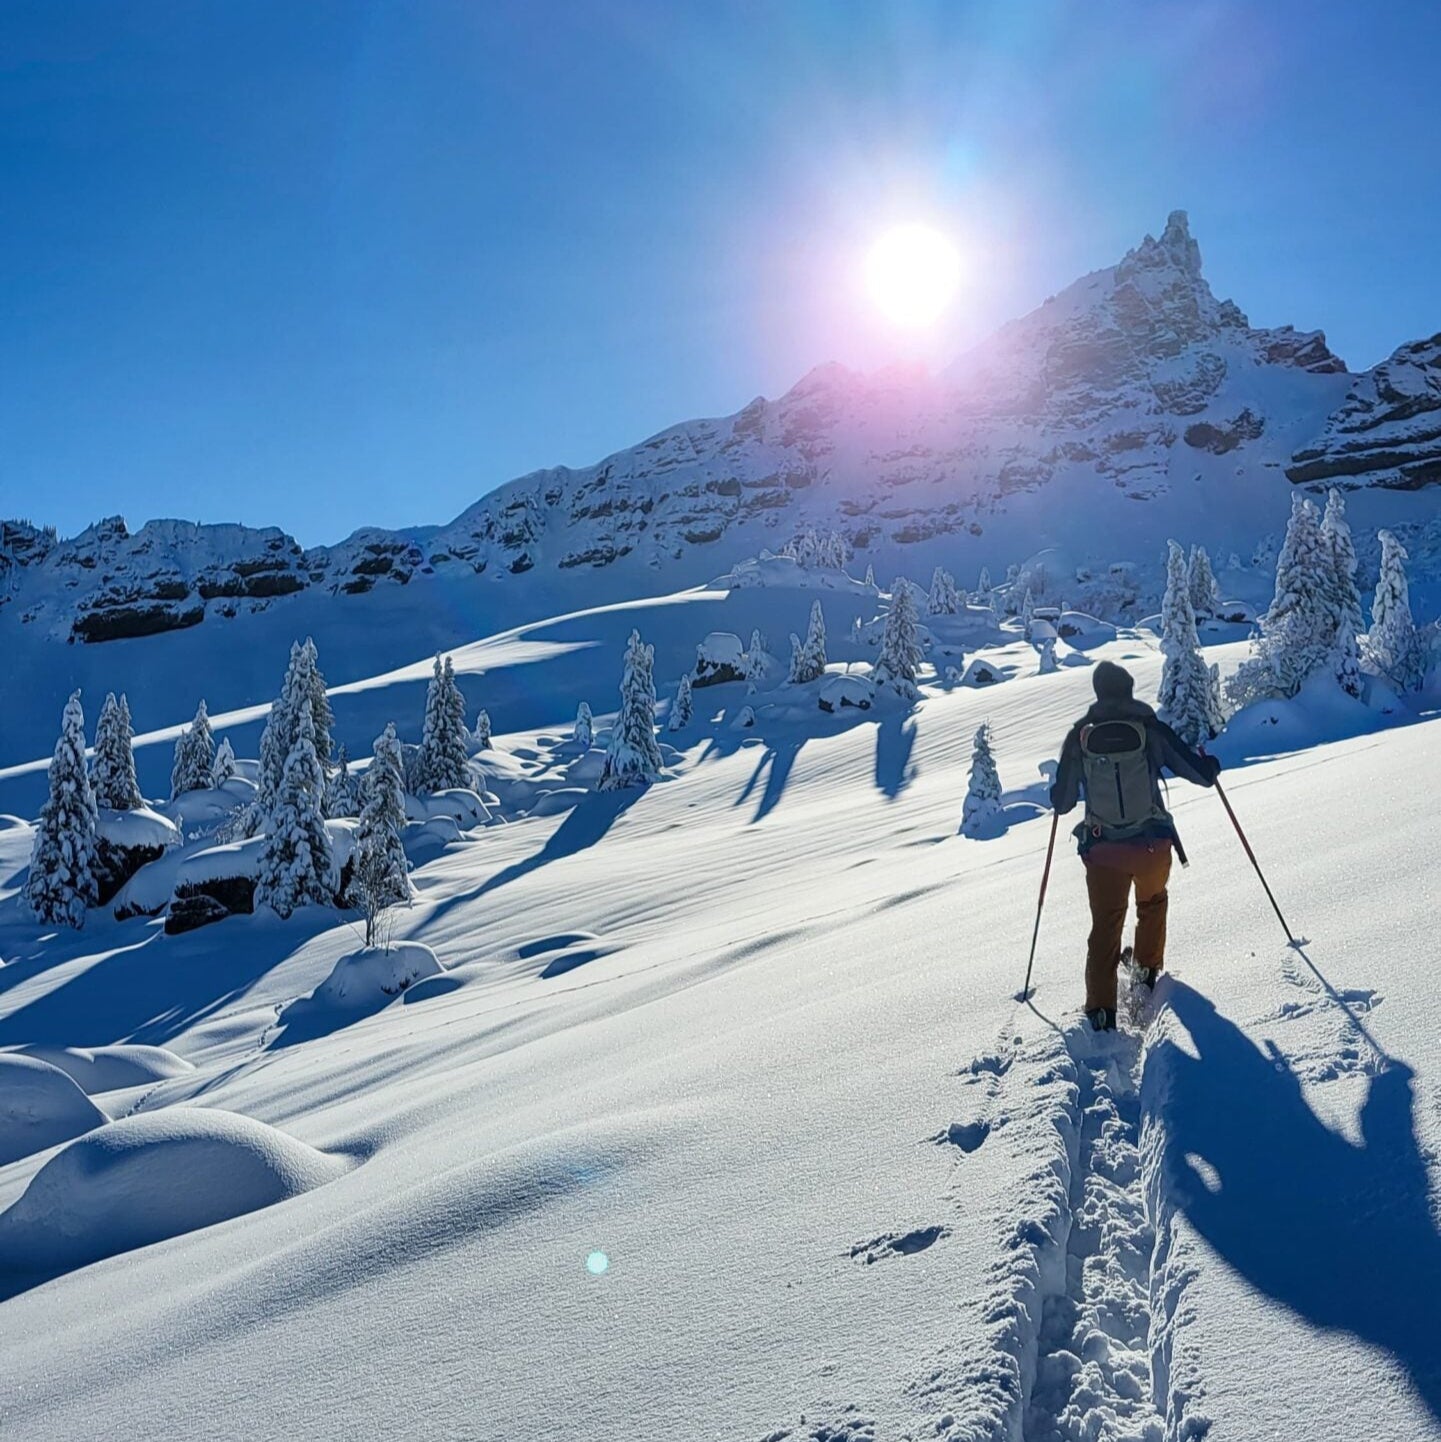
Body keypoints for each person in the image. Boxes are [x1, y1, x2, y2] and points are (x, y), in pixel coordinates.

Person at [1049, 660, 1221, 1031]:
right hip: (1150, 846)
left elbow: (1062, 802)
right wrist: (1211, 767)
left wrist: (1057, 788)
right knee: (1152, 903)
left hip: (1103, 852)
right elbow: (1198, 773)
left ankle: (1100, 1011)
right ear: (1128, 689)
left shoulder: (1081, 735)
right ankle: (1144, 978)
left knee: (1105, 927)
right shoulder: (1149, 729)